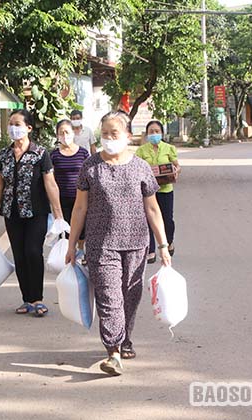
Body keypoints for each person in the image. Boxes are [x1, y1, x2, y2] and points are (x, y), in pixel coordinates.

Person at [65, 111, 171, 376]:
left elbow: (153, 209)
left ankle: (125, 339)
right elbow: (80, 208)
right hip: (101, 244)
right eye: (104, 134)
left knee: (130, 296)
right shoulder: (90, 166)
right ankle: (112, 351)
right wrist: (72, 243)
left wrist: (163, 246)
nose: (109, 138)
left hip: (136, 243)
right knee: (109, 297)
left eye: (114, 133)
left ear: (128, 136)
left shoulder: (140, 168)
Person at [0, 109, 64, 317]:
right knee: (19, 256)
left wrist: (58, 215)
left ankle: (37, 298)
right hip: (12, 213)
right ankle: (27, 299)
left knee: (32, 252)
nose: (13, 128)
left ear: (29, 128)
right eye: (11, 124)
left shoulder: (40, 154)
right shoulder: (4, 155)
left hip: (36, 213)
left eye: (18, 124)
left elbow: (51, 185)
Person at [135, 120, 180, 264]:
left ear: (161, 133)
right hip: (148, 192)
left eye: (156, 131)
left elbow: (177, 166)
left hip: (165, 190)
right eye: (151, 132)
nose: (154, 134)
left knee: (167, 220)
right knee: (148, 220)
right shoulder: (141, 151)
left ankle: (169, 241)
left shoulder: (169, 148)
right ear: (147, 134)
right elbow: (136, 169)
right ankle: (151, 251)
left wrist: (176, 171)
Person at [50, 119, 90, 251]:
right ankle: (68, 255)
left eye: (67, 132)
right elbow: (50, 179)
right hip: (62, 199)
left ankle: (81, 251)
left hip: (81, 198)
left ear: (73, 133)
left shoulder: (83, 153)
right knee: (66, 230)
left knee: (82, 229)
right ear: (57, 135)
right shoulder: (54, 155)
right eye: (61, 133)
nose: (64, 135)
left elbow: (89, 175)